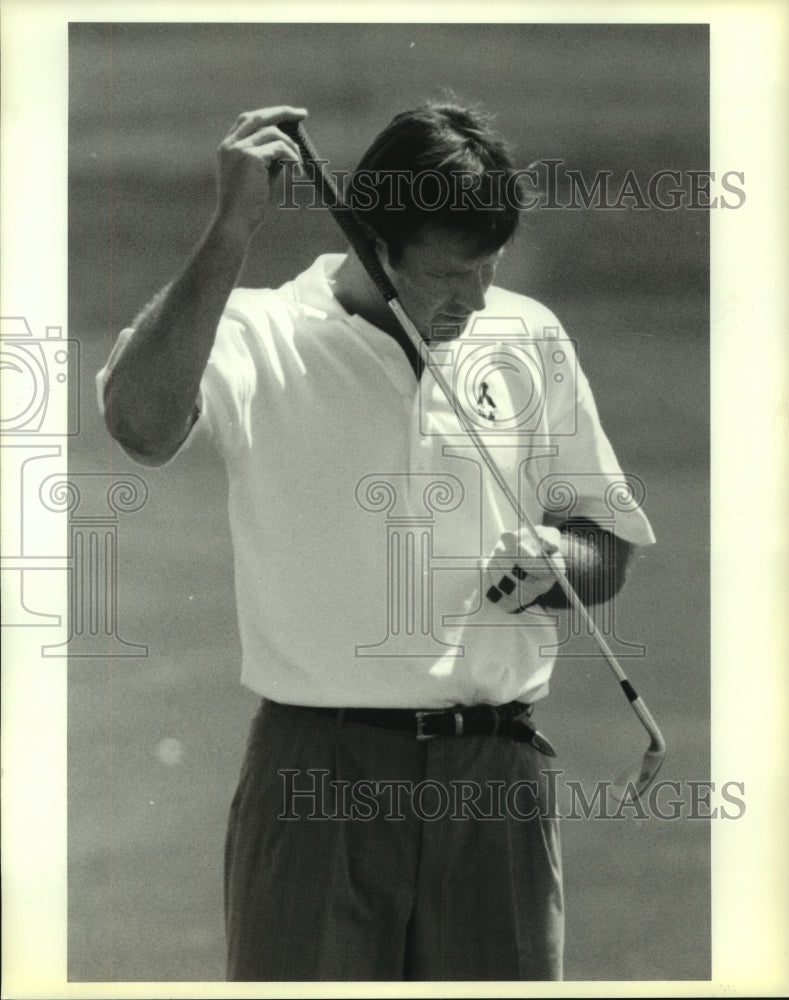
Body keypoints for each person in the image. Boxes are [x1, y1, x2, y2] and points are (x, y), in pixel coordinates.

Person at [97, 102, 656, 982]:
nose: (473, 301)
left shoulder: (527, 334)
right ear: (370, 243)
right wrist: (229, 231)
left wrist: (560, 568)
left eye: (488, 269)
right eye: (447, 275)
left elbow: (607, 546)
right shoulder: (258, 331)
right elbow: (139, 423)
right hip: (319, 774)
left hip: (495, 774)